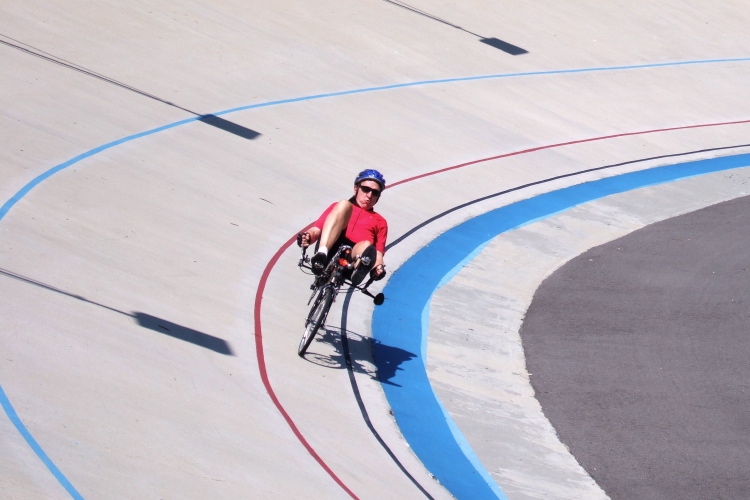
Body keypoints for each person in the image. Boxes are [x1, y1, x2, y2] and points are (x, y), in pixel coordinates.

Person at [299, 169, 388, 286]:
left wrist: (378, 268)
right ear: (356, 188)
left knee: (367, 245)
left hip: (353, 257)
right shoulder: (338, 207)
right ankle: (322, 254)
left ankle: (360, 268)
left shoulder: (381, 222)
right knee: (344, 204)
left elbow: (378, 253)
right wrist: (307, 237)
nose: (369, 195)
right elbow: (317, 230)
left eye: (375, 192)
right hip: (331, 246)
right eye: (366, 189)